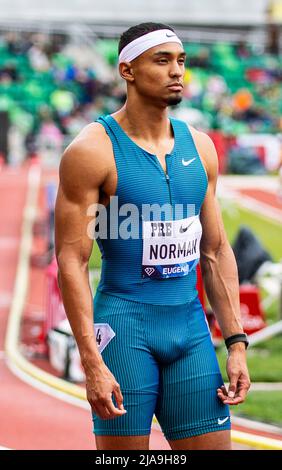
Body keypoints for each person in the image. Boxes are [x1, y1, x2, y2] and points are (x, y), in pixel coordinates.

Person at [55, 22, 250, 451]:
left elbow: (215, 250)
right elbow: (71, 260)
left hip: (190, 328)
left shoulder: (200, 147)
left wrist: (236, 342)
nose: (176, 71)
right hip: (125, 329)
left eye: (180, 61)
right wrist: (90, 359)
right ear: (127, 70)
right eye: (162, 61)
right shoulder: (92, 151)